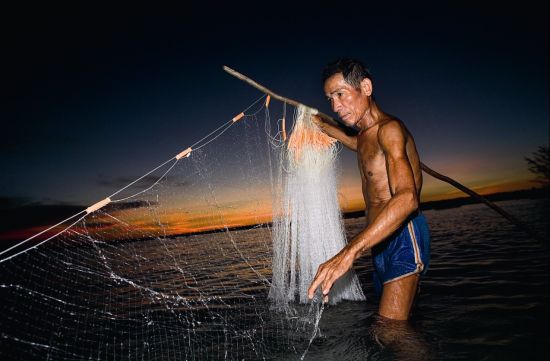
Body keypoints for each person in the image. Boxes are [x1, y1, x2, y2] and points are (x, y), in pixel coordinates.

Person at [307, 58, 430, 320]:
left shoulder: (390, 130)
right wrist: (316, 122)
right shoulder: (363, 138)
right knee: (399, 325)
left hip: (403, 235)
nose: (336, 106)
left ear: (365, 87)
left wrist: (348, 253)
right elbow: (352, 141)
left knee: (389, 331)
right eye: (330, 98)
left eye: (340, 94)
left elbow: (408, 199)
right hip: (378, 244)